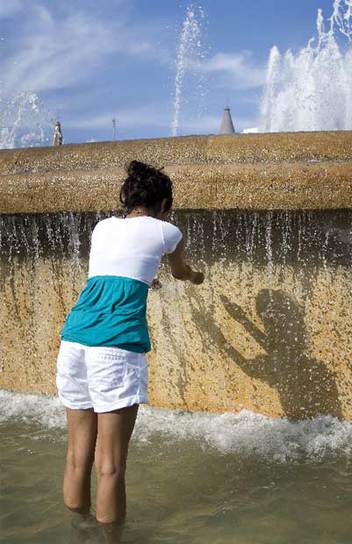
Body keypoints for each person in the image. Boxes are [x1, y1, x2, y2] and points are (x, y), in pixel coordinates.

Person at [56, 160, 204, 542]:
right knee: (111, 467)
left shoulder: (103, 227)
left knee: (77, 458)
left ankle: (78, 534)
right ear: (165, 204)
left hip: (74, 340)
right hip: (115, 347)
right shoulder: (168, 232)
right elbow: (179, 272)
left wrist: (144, 280)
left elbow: (117, 271)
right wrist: (195, 275)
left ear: (128, 200)